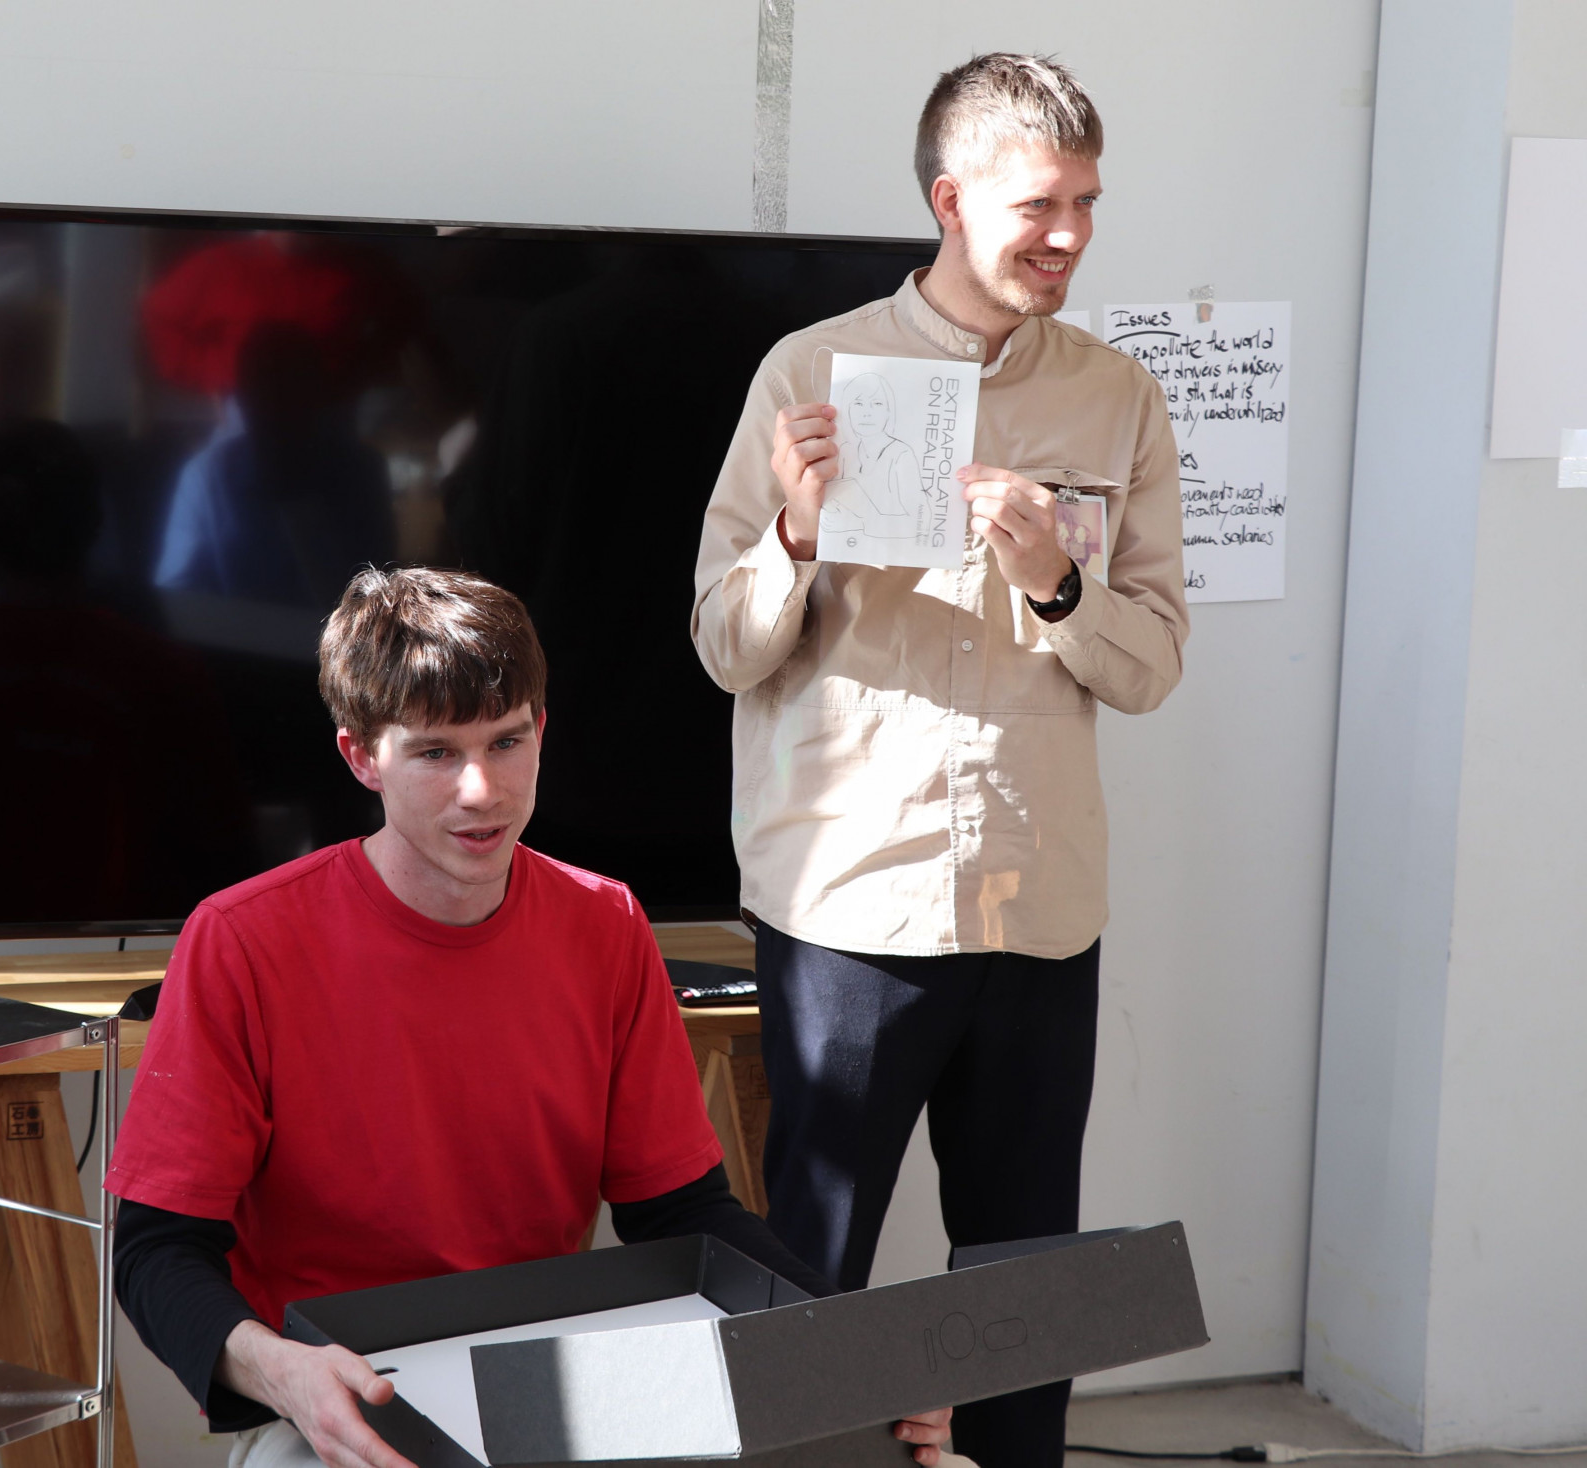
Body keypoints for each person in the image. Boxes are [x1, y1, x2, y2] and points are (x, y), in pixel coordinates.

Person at [105, 566, 961, 1468]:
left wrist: (860, 1348)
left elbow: (682, 1212)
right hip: (334, 1404)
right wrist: (285, 1376)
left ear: (542, 732)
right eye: (436, 753)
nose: (482, 789)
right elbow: (158, 1250)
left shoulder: (606, 922)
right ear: (361, 757)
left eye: (506, 742)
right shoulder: (242, 940)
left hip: (559, 1385)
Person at [691, 53, 1189, 1468]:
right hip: (850, 903)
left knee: (1029, 1278)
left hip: (1040, 905)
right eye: (1040, 205)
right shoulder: (809, 374)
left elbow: (1151, 665)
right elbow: (723, 645)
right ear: (949, 198)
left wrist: (1056, 582)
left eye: (1087, 204)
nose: (1071, 234)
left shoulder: (1119, 399)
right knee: (809, 1276)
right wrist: (793, 536)